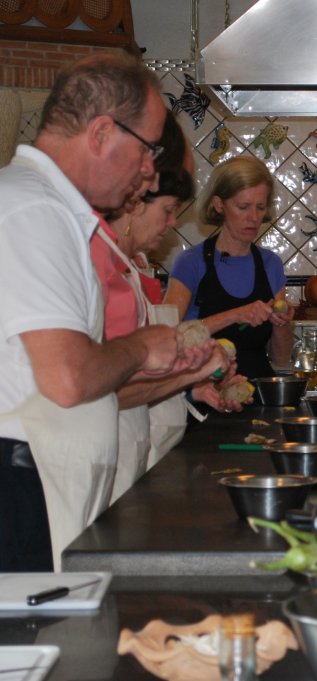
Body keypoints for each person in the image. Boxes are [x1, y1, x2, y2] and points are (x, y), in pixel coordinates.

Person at [0, 52, 208, 571]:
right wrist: (144, 347)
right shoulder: (34, 210)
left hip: (41, 480)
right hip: (23, 484)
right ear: (100, 133)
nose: (147, 169)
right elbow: (68, 377)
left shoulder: (53, 211)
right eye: (147, 149)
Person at [91, 115, 242, 500]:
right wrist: (190, 376)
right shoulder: (99, 263)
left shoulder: (135, 266)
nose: (174, 222)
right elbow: (105, 390)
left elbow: (141, 370)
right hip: (107, 454)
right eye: (169, 208)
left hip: (141, 447)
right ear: (136, 200)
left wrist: (193, 385)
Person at [165, 156, 294, 380]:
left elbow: (280, 358)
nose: (253, 218)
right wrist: (236, 315)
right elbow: (168, 339)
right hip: (204, 394)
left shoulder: (270, 264)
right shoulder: (191, 263)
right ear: (218, 204)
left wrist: (282, 323)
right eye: (243, 207)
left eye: (260, 207)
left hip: (258, 394)